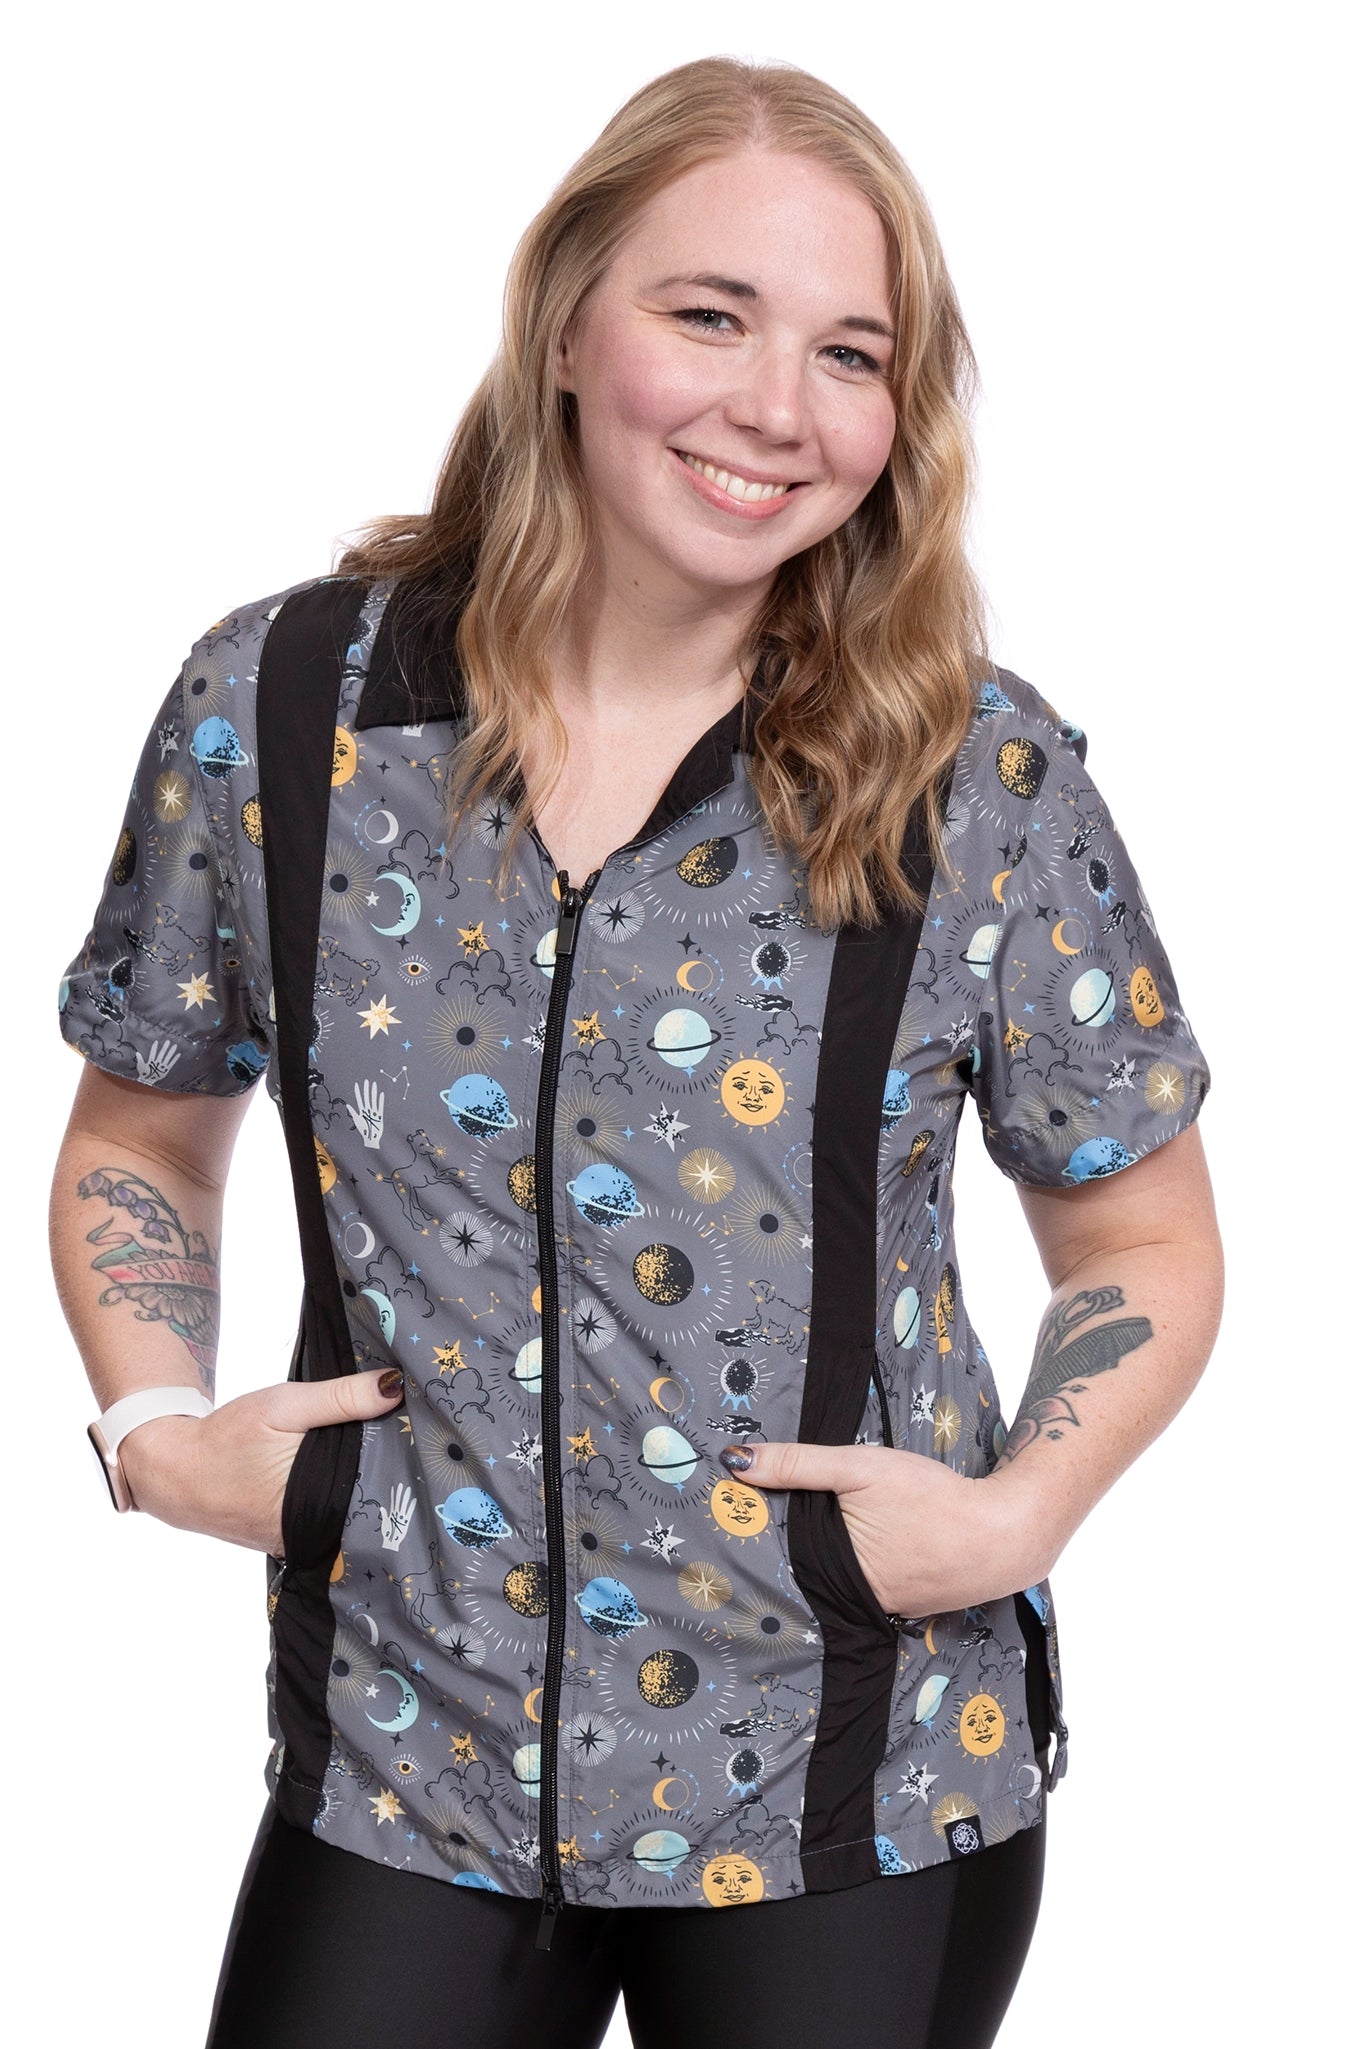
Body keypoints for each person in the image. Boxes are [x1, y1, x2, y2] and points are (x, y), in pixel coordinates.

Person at [49, 53, 1222, 2049]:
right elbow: (143, 1129)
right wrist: (152, 1430)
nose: (777, 406)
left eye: (849, 353)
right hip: (405, 1754)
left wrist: (1015, 1514)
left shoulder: (978, 777)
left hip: (854, 1766)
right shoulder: (283, 712)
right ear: (565, 324)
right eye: (710, 315)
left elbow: (1144, 1239)